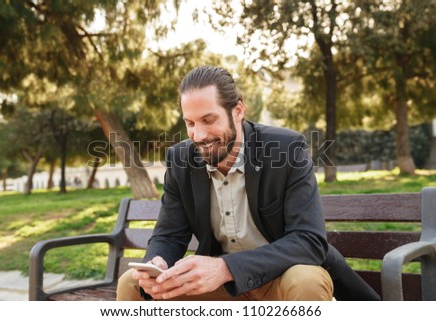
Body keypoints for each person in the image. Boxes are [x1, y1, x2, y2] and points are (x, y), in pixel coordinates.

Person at [117, 65, 380, 301]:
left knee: (306, 280)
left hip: (281, 279)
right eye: (190, 123)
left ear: (238, 111)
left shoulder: (286, 149)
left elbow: (309, 241)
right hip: (222, 289)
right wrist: (158, 263)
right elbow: (169, 235)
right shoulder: (181, 160)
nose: (199, 135)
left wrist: (226, 268)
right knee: (132, 285)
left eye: (209, 120)